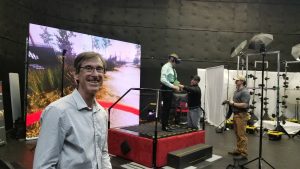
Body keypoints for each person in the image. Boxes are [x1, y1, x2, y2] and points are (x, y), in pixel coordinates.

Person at [33, 52, 112, 169]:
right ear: (76, 75)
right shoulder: (57, 111)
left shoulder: (102, 113)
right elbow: (43, 166)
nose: (95, 74)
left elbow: (103, 154)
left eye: (99, 69)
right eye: (88, 68)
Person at [225, 74, 250, 159]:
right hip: (236, 115)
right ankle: (239, 150)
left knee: (241, 135)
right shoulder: (236, 91)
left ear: (242, 81)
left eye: (237, 80)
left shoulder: (245, 92)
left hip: (241, 115)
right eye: (235, 80)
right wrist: (228, 114)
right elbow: (233, 104)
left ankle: (243, 153)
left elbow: (245, 105)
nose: (235, 81)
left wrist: (233, 103)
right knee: (237, 134)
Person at [160, 53, 181, 131]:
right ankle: (164, 126)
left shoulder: (173, 69)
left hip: (170, 89)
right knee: (166, 108)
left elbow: (173, 80)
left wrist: (179, 85)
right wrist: (173, 86)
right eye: (176, 62)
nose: (176, 64)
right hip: (166, 88)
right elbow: (163, 80)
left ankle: (166, 124)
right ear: (172, 60)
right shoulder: (166, 67)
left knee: (169, 108)